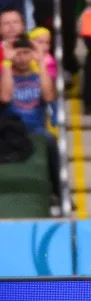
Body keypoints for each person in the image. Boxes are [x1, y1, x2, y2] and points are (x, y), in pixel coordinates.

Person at [0, 33, 60, 203]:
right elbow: (4, 97)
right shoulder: (5, 75)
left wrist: (41, 62)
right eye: (18, 53)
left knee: (51, 142)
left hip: (37, 129)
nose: (22, 57)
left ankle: (57, 192)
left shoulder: (39, 76)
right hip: (10, 130)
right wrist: (6, 61)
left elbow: (49, 96)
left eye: (26, 52)